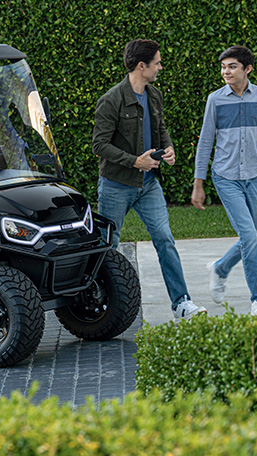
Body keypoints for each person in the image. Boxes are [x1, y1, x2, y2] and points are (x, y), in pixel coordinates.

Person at [92, 39, 205, 321]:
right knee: (108, 246)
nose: (160, 67)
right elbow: (99, 145)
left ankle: (182, 303)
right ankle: (98, 304)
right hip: (117, 185)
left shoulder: (154, 95)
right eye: (157, 62)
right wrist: (134, 161)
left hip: (149, 184)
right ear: (141, 66)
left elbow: (160, 128)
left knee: (165, 239)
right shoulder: (111, 100)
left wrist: (168, 148)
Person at [191, 45, 257, 316]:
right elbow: (205, 143)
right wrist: (198, 182)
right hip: (225, 177)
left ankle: (220, 268)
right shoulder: (215, 99)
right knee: (249, 236)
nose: (226, 71)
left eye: (232, 66)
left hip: (252, 177)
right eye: (223, 67)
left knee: (251, 238)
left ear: (247, 69)